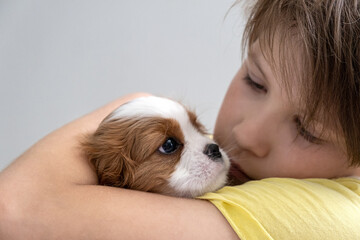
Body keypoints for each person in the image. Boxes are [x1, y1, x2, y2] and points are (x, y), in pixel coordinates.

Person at [1, 0, 360, 239]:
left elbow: (11, 210)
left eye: (308, 131)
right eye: (255, 80)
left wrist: (134, 102)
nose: (247, 135)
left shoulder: (330, 220)